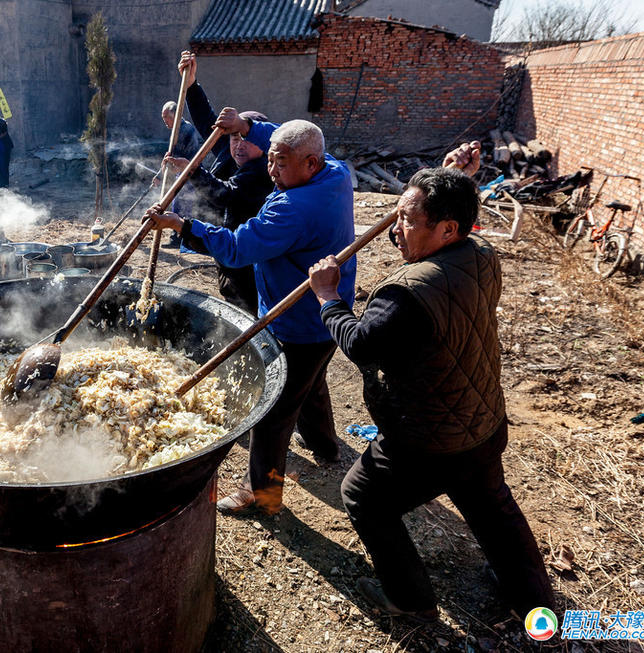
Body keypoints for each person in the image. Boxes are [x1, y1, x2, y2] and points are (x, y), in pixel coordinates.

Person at [307, 142, 554, 623]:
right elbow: (454, 211)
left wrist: (328, 297)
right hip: (481, 421)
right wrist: (451, 180)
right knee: (490, 506)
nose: (395, 229)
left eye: (406, 221)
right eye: (397, 214)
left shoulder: (407, 295)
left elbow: (360, 344)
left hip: (428, 439)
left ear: (447, 229)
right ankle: (533, 598)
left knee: (363, 494)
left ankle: (411, 601)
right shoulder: (480, 252)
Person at [145, 114, 356, 516]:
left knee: (274, 415)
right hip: (328, 312)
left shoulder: (294, 208)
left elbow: (239, 248)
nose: (271, 171)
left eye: (280, 163)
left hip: (294, 320)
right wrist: (246, 126)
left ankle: (261, 495)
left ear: (310, 163)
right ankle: (326, 446)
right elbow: (284, 140)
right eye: (271, 159)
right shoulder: (335, 173)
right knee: (310, 383)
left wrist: (182, 225)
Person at [162, 51, 274, 315]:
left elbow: (225, 196)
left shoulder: (263, 172)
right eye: (234, 139)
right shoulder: (230, 148)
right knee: (230, 294)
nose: (239, 145)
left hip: (250, 256)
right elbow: (205, 121)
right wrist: (191, 86)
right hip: (226, 247)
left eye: (247, 139)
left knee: (250, 308)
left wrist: (193, 171)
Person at [160, 100, 203, 249]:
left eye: (167, 117)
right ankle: (180, 237)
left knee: (182, 205)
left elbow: (183, 157)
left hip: (190, 174)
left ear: (176, 115)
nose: (165, 120)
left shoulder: (185, 130)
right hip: (182, 174)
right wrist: (160, 175)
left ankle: (180, 238)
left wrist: (169, 167)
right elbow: (170, 156)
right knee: (178, 204)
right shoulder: (176, 130)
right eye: (163, 117)